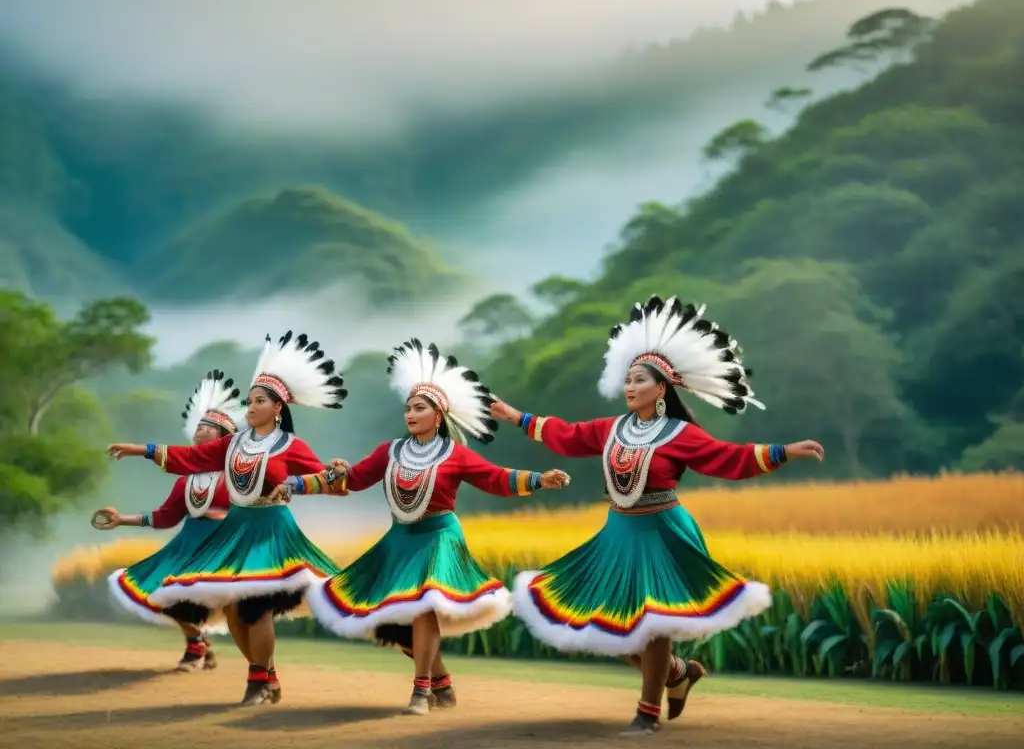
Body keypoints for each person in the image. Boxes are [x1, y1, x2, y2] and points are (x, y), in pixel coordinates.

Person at [489, 296, 825, 736]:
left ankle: (647, 713)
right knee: (603, 627)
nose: (630, 386)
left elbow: (729, 458)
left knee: (654, 621)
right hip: (618, 535)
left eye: (639, 380)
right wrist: (516, 416)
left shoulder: (680, 434)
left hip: (663, 533)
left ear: (661, 388)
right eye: (627, 379)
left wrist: (784, 452)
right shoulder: (611, 428)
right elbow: (567, 436)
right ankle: (678, 672)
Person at [289, 339, 570, 716]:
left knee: (423, 607)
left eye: (419, 407)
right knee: (388, 620)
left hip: (439, 537)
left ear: (438, 416)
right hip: (400, 540)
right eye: (407, 407)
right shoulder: (389, 452)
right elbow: (351, 480)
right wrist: (298, 484)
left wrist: (539, 479)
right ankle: (440, 683)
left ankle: (420, 692)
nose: (410, 413)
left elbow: (495, 479)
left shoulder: (456, 454)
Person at [106, 332, 348, 706]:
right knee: (235, 609)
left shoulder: (291, 446)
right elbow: (189, 458)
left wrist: (333, 474)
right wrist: (141, 449)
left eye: (259, 401)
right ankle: (266, 675)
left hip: (272, 531)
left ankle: (256, 682)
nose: (250, 407)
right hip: (236, 531)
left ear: (278, 408)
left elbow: (324, 482)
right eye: (249, 401)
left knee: (258, 604)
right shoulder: (233, 444)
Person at [95, 369, 245, 672]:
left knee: (230, 607)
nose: (199, 431)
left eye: (207, 428)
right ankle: (197, 646)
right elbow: (165, 517)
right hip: (186, 548)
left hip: (224, 549)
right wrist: (121, 519)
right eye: (198, 426)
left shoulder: (239, 477)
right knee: (170, 597)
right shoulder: (185, 482)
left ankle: (256, 670)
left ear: (222, 439)